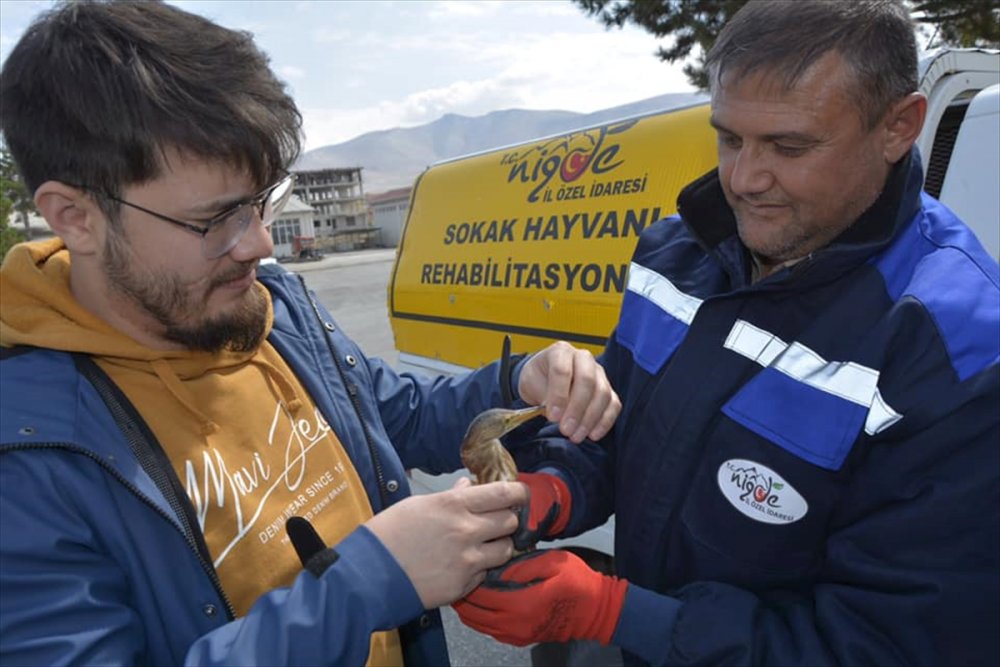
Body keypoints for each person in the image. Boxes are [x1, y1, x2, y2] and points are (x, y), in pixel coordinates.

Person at [0, 2, 622, 665]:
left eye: (262, 201)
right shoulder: (28, 453)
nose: (261, 243)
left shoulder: (269, 307)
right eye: (217, 219)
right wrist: (370, 582)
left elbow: (388, 414)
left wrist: (514, 381)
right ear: (75, 216)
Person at [453, 1, 1000, 665]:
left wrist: (617, 611)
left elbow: (892, 644)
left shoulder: (957, 348)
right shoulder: (674, 255)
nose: (743, 180)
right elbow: (617, 427)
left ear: (898, 127)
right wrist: (552, 485)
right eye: (730, 138)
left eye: (789, 147)